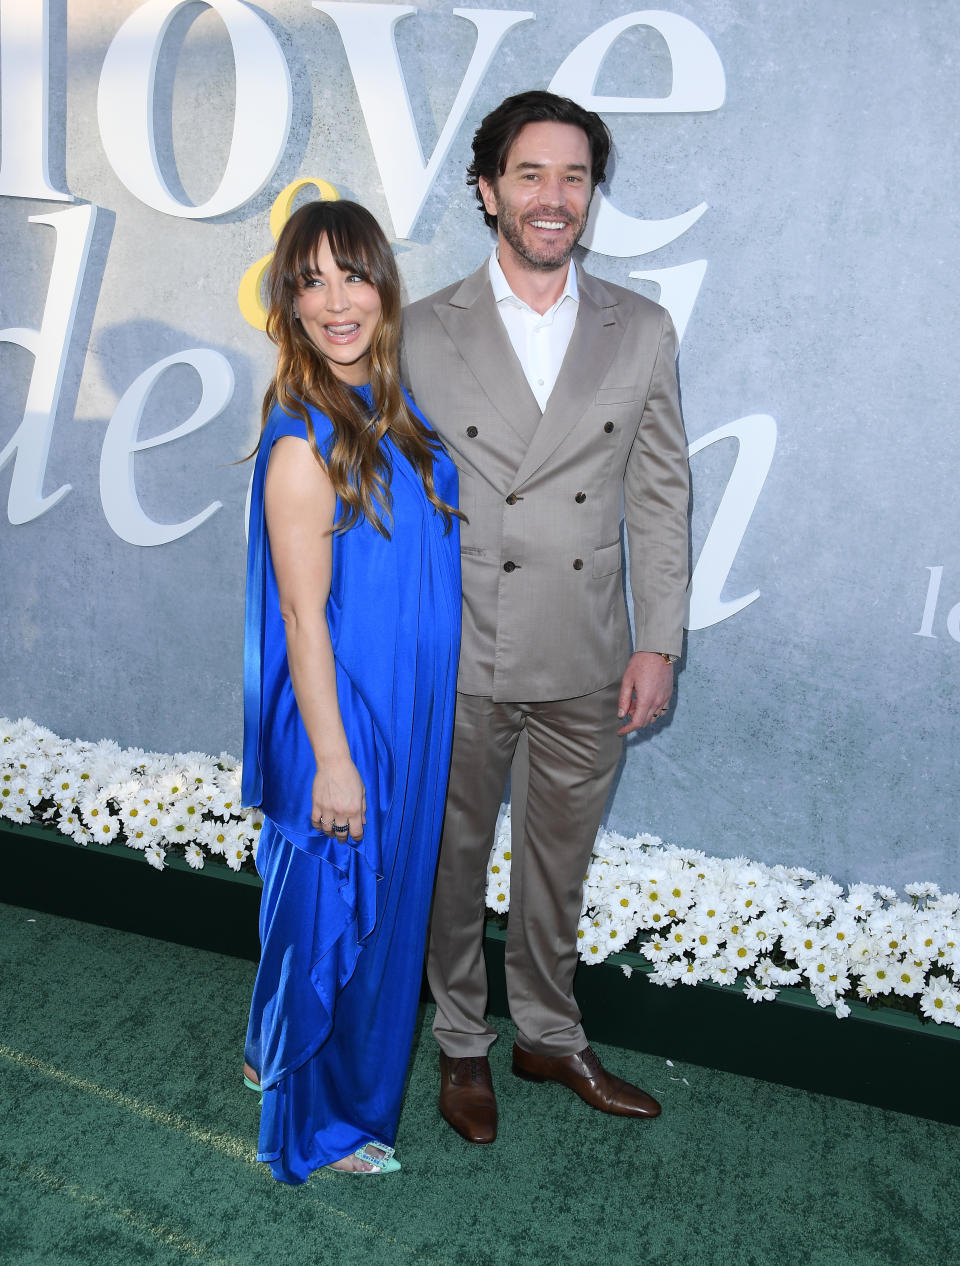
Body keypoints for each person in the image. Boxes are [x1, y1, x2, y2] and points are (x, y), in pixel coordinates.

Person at [401, 91, 689, 1144]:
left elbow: (660, 494)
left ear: (591, 197)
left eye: (574, 176)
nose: (553, 196)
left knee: (558, 862)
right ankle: (463, 1045)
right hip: (462, 647)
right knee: (451, 860)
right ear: (487, 190)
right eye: (530, 174)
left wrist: (658, 638)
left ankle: (551, 1036)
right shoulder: (417, 329)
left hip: (588, 651)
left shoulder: (640, 327)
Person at [240, 199, 461, 1180]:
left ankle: (269, 1052)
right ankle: (317, 1130)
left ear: (385, 286)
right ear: (288, 306)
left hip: (403, 709)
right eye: (310, 281)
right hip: (350, 720)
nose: (336, 302)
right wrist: (333, 757)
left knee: (343, 911)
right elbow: (299, 618)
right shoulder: (303, 442)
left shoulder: (395, 412)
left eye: (353, 275)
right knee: (339, 916)